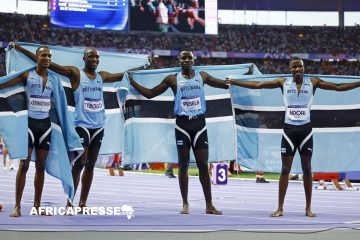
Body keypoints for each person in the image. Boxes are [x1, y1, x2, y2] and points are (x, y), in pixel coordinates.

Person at [12, 43, 147, 211]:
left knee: (91, 164)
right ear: (84, 59)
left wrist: (143, 66)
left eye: (97, 57)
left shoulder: (102, 76)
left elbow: (124, 76)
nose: (94, 59)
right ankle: (70, 201)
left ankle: (82, 203)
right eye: (91, 56)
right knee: (81, 162)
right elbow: (49, 65)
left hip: (98, 126)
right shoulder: (76, 74)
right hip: (81, 124)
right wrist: (21, 50)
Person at [230, 57, 360, 217]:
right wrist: (236, 82)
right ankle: (280, 207)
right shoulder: (283, 82)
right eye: (294, 67)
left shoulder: (313, 82)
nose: (297, 69)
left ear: (304, 68)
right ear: (290, 69)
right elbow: (258, 85)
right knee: (285, 170)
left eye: (300, 66)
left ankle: (308, 208)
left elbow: (338, 87)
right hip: (289, 131)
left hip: (306, 131)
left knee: (307, 169)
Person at [128, 49, 226, 215]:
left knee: (203, 165)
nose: (187, 60)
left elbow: (224, 84)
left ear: (193, 60)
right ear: (179, 61)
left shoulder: (202, 76)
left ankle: (209, 204)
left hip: (199, 124)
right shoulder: (172, 79)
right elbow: (151, 94)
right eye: (184, 58)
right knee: (183, 165)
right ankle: (185, 203)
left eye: (190, 58)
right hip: (182, 126)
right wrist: (132, 82)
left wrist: (245, 76)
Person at [1, 45, 56, 217]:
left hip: (46, 126)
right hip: (29, 125)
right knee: (23, 165)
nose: (47, 58)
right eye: (43, 55)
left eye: (49, 56)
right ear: (37, 57)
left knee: (41, 167)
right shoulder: (27, 75)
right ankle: (17, 206)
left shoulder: (54, 79)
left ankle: (37, 206)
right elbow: (5, 86)